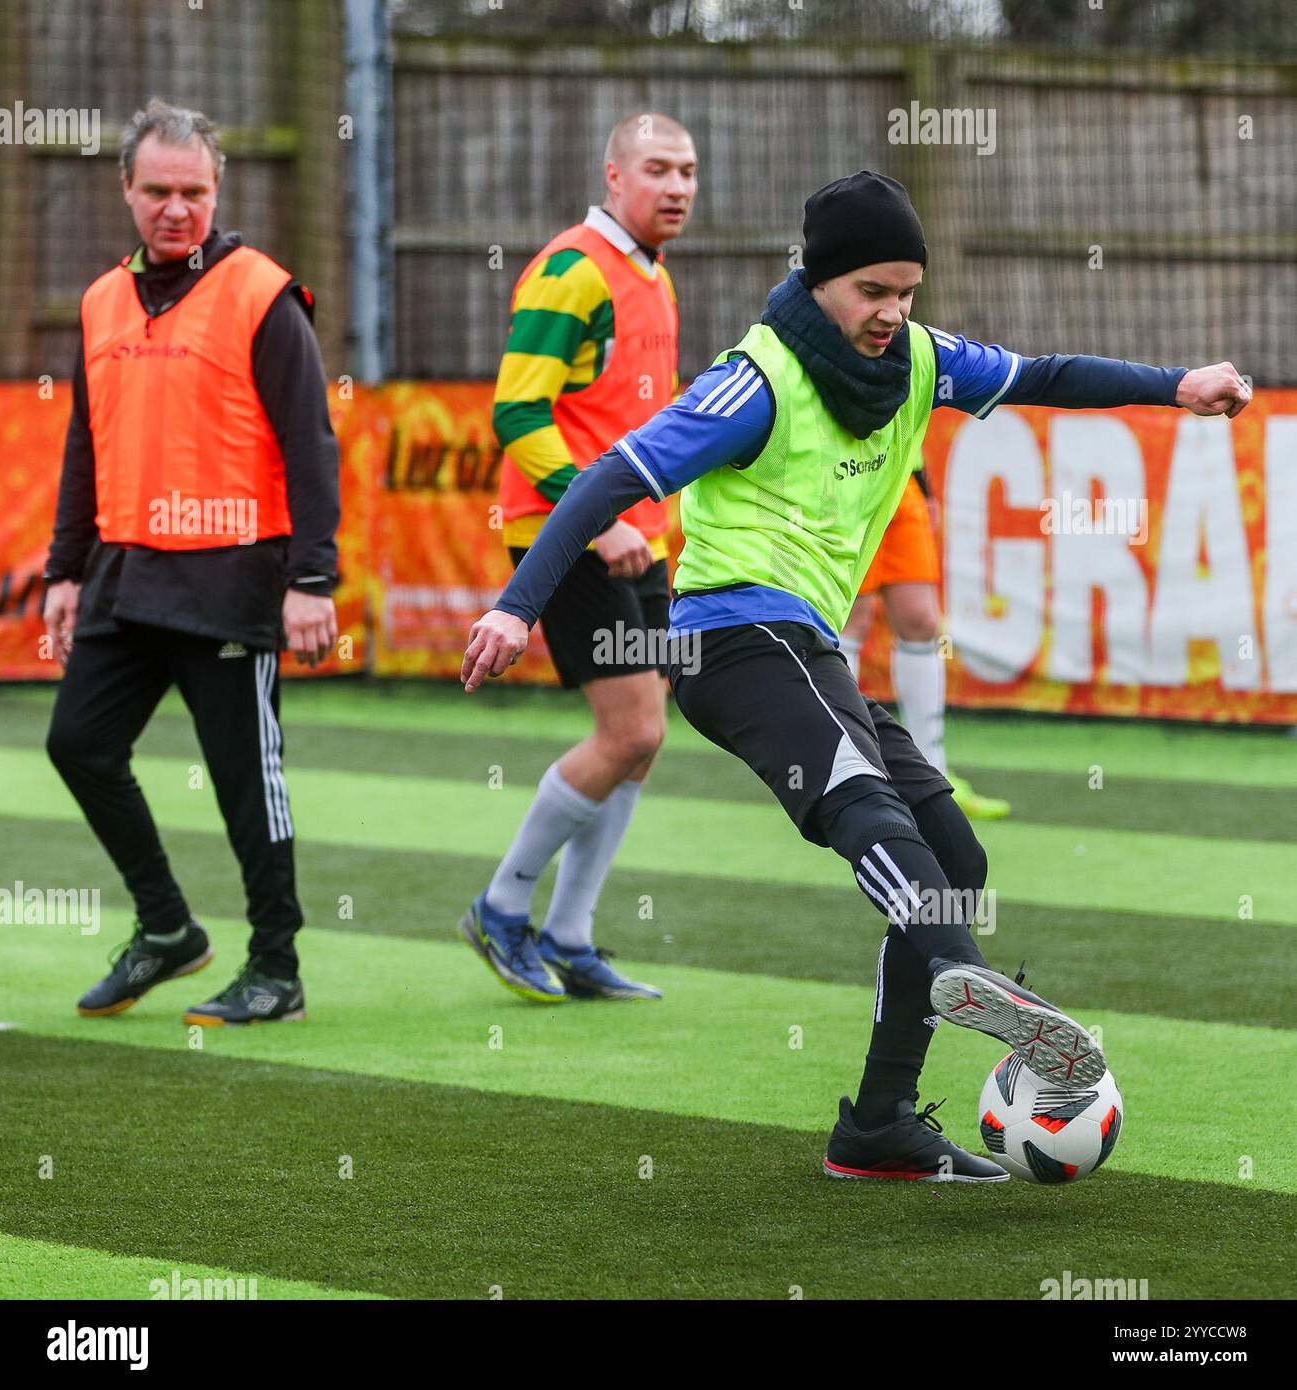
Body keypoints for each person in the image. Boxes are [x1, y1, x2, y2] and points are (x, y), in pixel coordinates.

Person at [462, 169, 1250, 1179]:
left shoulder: (923, 359)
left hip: (809, 647)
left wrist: (1175, 387)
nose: (892, 313)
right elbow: (617, 474)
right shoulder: (754, 380)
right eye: (871, 291)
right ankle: (965, 978)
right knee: (862, 802)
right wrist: (516, 603)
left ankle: (877, 1126)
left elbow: (1044, 375)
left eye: (906, 292)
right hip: (727, 637)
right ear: (821, 281)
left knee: (953, 856)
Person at [42, 98, 339, 1026]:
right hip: (127, 579)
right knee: (78, 746)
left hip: (234, 582)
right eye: (160, 190)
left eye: (196, 191)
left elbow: (310, 444)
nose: (179, 208)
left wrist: (312, 579)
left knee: (247, 781)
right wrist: (64, 569)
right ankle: (167, 927)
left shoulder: (261, 292)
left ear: (219, 192)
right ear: (126, 191)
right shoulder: (100, 300)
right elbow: (85, 447)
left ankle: (276, 969)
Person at [462, 113, 697, 1003]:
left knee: (642, 745)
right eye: (657, 169)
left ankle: (569, 935)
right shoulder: (571, 272)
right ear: (613, 177)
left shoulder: (653, 275)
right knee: (631, 730)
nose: (675, 187)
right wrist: (597, 524)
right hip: (574, 542)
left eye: (687, 171)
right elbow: (519, 415)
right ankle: (500, 906)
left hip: (642, 544)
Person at [841, 468, 1012, 819]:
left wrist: (921, 480)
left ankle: (932, 775)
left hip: (900, 474)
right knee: (851, 619)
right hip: (845, 474)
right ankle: (847, 774)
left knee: (920, 620)